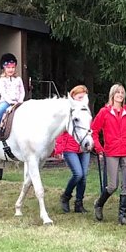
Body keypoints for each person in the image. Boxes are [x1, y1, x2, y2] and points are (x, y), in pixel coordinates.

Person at [91, 83, 126, 225]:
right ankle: (99, 204)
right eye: (118, 92)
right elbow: (94, 131)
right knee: (112, 185)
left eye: (122, 92)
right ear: (112, 95)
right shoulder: (104, 112)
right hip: (111, 152)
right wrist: (98, 147)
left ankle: (122, 216)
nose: (120, 95)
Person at [53, 85, 91, 214]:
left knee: (84, 176)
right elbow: (59, 131)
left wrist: (93, 144)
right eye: (80, 97)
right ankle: (66, 197)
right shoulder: (68, 111)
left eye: (84, 97)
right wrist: (58, 149)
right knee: (78, 174)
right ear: (74, 97)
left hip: (83, 148)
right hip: (69, 147)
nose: (82, 99)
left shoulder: (85, 110)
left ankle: (79, 203)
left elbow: (88, 129)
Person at [0, 53, 25, 139]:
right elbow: (3, 92)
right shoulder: (2, 80)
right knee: (0, 111)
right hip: (6, 101)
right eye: (8, 68)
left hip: (18, 102)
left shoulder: (18, 79)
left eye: (12, 67)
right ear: (4, 68)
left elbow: (22, 91)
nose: (10, 70)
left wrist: (20, 100)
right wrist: (10, 101)